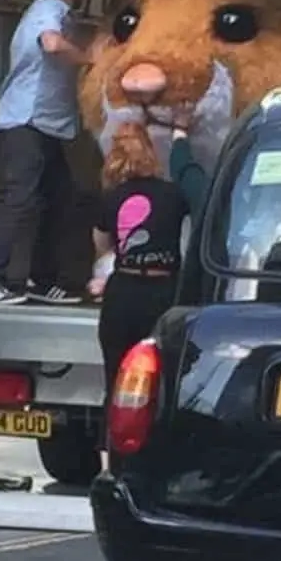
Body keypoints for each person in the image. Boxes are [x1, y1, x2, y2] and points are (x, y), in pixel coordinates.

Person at [0, 0, 90, 306]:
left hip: (46, 123)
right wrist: (91, 59)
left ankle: (45, 280)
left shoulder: (54, 12)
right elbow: (52, 44)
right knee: (21, 199)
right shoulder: (48, 10)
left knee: (59, 199)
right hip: (28, 121)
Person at [89, 118, 207, 418]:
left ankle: (113, 440)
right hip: (163, 292)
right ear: (150, 153)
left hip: (122, 293)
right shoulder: (172, 193)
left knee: (116, 380)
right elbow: (200, 212)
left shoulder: (111, 197)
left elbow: (102, 245)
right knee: (164, 380)